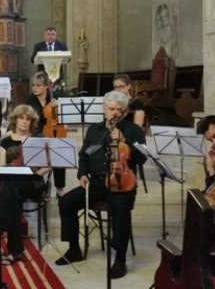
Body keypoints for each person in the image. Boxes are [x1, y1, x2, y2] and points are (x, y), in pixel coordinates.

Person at [56, 91, 147, 279]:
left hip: (122, 184)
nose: (114, 113)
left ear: (125, 112)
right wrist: (82, 174)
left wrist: (125, 140)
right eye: (111, 109)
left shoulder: (133, 130)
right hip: (97, 183)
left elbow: (142, 158)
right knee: (66, 201)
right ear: (104, 110)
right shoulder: (95, 130)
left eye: (118, 110)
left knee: (120, 209)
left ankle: (120, 259)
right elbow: (84, 155)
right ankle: (74, 249)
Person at [0, 104, 49, 264]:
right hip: (13, 184)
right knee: (12, 196)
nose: (25, 122)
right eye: (21, 118)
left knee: (8, 191)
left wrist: (40, 172)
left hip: (33, 184)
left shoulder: (37, 139)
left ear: (32, 122)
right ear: (15, 120)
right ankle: (14, 251)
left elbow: (50, 163)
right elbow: (2, 168)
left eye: (28, 119)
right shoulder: (5, 141)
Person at [26, 72, 66, 195]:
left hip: (54, 131)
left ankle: (60, 188)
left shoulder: (55, 97)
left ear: (46, 86)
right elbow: (29, 120)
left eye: (38, 85)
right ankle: (40, 180)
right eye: (33, 85)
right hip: (37, 132)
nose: (35, 88)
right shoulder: (31, 99)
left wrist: (58, 107)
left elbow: (64, 118)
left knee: (59, 149)